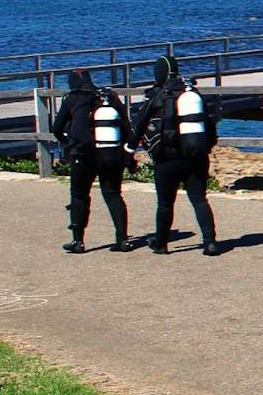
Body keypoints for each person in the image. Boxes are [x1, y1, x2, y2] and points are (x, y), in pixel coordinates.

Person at [131, 54, 220, 256]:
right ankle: (210, 242)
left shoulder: (156, 95)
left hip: (167, 159)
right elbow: (210, 125)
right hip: (196, 157)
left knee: (165, 203)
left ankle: (161, 244)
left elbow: (139, 123)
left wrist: (130, 149)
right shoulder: (191, 92)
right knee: (199, 200)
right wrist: (208, 147)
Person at [50, 69, 132, 253]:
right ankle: (123, 239)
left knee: (79, 195)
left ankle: (78, 241)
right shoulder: (109, 96)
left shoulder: (72, 99)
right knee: (113, 194)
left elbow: (56, 128)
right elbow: (126, 125)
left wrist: (66, 143)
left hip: (84, 156)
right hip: (111, 153)